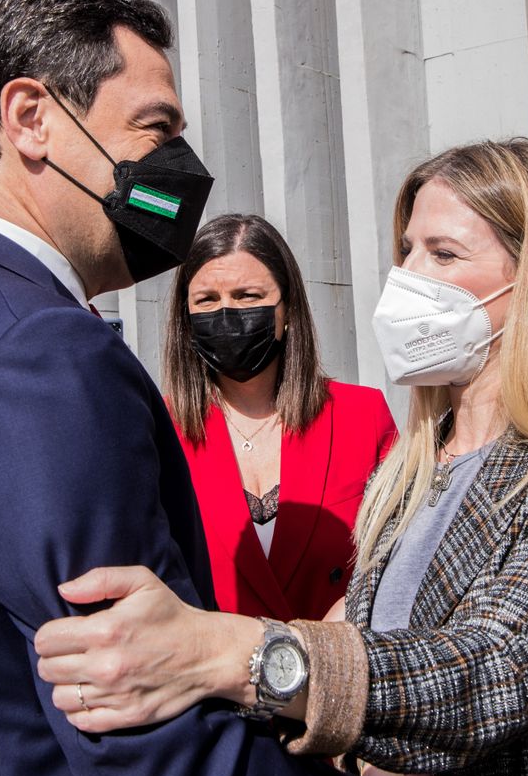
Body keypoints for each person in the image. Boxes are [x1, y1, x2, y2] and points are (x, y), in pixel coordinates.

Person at [0, 0, 420, 776]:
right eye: (156, 130)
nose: (177, 167)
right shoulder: (40, 353)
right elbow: (150, 744)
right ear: (30, 118)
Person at [33, 139, 528, 776]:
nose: (407, 277)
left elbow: (495, 670)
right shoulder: (424, 462)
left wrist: (223, 651)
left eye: (443, 254)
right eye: (408, 250)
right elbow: (370, 636)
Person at [164, 213, 396, 621]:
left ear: (286, 310)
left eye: (248, 296)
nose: (226, 313)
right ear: (186, 318)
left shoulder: (362, 415)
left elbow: (397, 560)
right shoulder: (159, 428)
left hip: (334, 669)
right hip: (213, 678)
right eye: (207, 300)